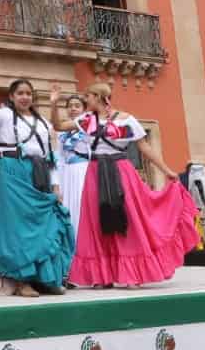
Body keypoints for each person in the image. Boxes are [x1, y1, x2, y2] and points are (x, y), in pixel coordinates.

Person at [65, 82, 195, 288]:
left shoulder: (127, 120)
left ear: (98, 97)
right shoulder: (87, 119)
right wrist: (53, 104)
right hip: (95, 172)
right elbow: (58, 126)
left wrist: (166, 170)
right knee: (97, 220)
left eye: (87, 96)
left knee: (129, 218)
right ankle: (103, 276)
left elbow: (144, 147)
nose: (84, 100)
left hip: (121, 170)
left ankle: (131, 274)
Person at [0, 61, 73, 295]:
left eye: (28, 93)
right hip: (12, 171)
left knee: (44, 224)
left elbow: (50, 156)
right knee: (16, 227)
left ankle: (46, 278)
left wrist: (56, 184)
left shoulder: (43, 123)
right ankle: (22, 281)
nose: (25, 97)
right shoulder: (4, 116)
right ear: (11, 96)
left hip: (38, 173)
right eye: (20, 93)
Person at [51, 93, 91, 249]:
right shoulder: (62, 133)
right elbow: (59, 157)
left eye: (77, 106)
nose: (73, 109)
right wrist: (56, 183)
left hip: (83, 171)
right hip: (66, 174)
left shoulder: (89, 127)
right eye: (70, 106)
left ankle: (85, 247)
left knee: (81, 207)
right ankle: (70, 249)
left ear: (84, 109)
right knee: (67, 208)